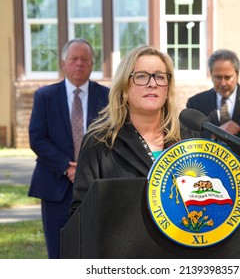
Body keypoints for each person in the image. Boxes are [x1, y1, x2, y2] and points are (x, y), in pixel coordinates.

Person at [69, 45, 182, 216]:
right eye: (142, 76)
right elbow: (80, 213)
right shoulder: (99, 142)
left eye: (160, 76)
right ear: (124, 88)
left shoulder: (187, 138)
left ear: (168, 87)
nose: (152, 84)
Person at [28, 38, 109, 258]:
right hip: (56, 186)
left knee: (93, 252)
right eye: (74, 59)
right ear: (64, 63)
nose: (79, 64)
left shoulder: (107, 97)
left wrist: (86, 169)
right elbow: (37, 138)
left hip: (95, 187)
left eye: (85, 59)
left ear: (92, 64)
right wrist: (67, 167)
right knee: (58, 252)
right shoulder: (45, 96)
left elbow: (111, 138)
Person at [186, 49, 240, 173]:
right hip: (207, 174)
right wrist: (215, 133)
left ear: (237, 74)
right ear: (211, 74)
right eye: (218, 77)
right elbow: (190, 140)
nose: (223, 83)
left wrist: (235, 167)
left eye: (228, 77)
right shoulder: (196, 103)